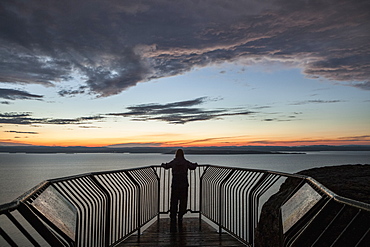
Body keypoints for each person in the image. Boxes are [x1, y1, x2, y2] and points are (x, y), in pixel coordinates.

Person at [161, 149, 198, 228]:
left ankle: (173, 216)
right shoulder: (185, 162)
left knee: (174, 201)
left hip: (175, 184)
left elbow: (167, 166)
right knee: (183, 201)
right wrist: (195, 164)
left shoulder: (174, 162)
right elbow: (192, 167)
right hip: (184, 184)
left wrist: (163, 165)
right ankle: (180, 215)